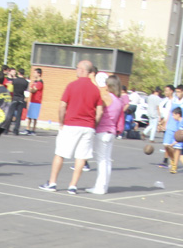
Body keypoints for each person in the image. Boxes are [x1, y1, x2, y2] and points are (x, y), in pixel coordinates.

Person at [39, 60, 102, 194]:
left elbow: (62, 106)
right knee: (81, 156)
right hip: (88, 126)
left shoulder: (72, 86)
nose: (76, 70)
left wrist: (61, 121)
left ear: (83, 70)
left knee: (60, 154)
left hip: (72, 124)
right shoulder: (95, 89)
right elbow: (100, 111)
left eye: (77, 68)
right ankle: (73, 185)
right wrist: (93, 125)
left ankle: (52, 183)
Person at [87, 75, 126, 195]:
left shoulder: (106, 97)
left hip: (102, 131)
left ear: (109, 85)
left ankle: (100, 187)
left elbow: (96, 107)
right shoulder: (119, 101)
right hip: (112, 132)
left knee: (101, 160)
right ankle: (103, 186)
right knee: (107, 161)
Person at [7, 69, 29, 136]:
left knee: (10, 114)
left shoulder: (15, 81)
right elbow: (26, 91)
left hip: (15, 97)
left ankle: (6, 129)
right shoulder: (26, 82)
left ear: (19, 73)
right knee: (18, 116)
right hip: (21, 98)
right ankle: (16, 130)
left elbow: (11, 87)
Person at [26, 68, 44, 135]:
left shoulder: (40, 82)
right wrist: (31, 89)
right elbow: (31, 88)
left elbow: (34, 90)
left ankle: (33, 130)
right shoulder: (34, 82)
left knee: (34, 117)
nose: (34, 74)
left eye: (35, 73)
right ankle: (27, 129)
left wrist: (32, 89)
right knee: (30, 116)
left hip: (37, 102)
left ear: (39, 73)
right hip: (32, 100)